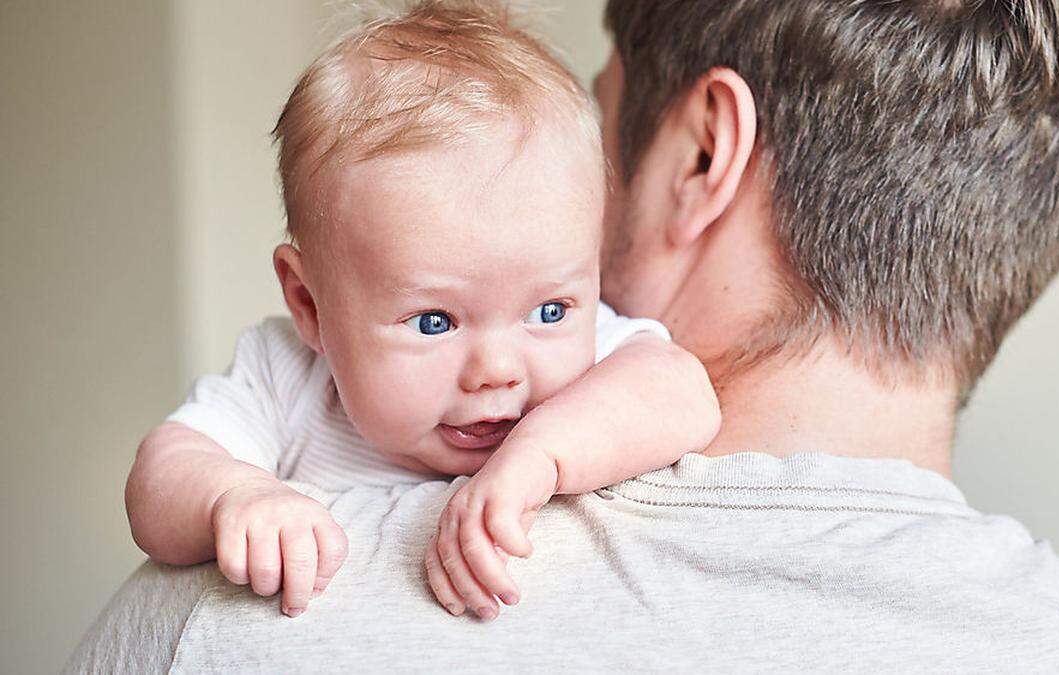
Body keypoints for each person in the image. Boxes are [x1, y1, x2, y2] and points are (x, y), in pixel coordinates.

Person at [70, 0, 1059, 671]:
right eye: (435, 315)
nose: (497, 366)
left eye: (601, 128)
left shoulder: (230, 622)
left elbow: (659, 388)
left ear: (703, 158)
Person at [122, 0, 719, 622]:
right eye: (435, 321)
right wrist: (234, 494)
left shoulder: (594, 356)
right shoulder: (285, 377)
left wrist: (543, 453)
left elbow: (682, 392)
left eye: (547, 311)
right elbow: (157, 481)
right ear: (311, 306)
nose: (497, 370)